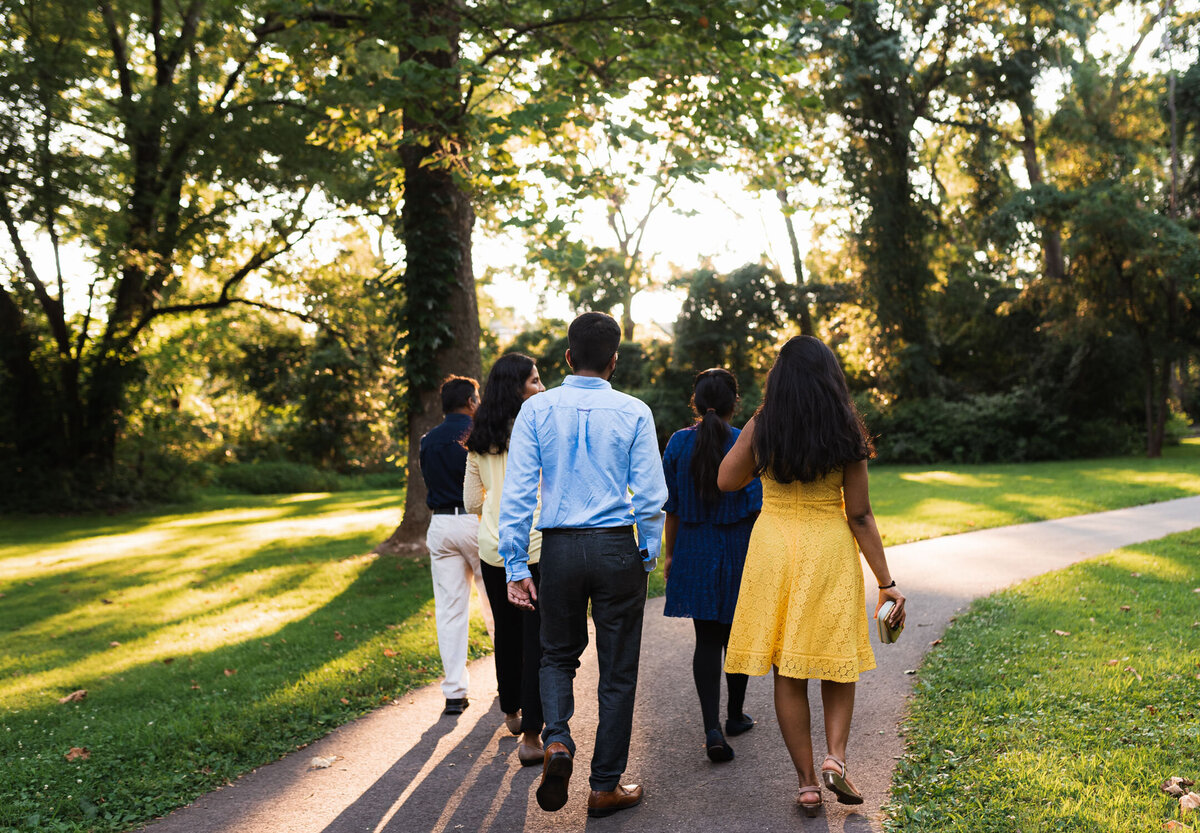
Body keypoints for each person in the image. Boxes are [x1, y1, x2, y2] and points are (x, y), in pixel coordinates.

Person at [718, 335, 906, 817]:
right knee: (836, 656)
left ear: (778, 378)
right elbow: (860, 515)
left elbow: (726, 480)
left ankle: (805, 784)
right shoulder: (845, 427)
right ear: (830, 376)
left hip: (774, 548)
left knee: (789, 667)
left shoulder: (764, 424)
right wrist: (886, 581)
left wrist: (757, 442)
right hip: (828, 547)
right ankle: (835, 757)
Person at [499, 312, 668, 819]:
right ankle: (603, 787)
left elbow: (518, 494)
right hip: (617, 546)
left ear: (568, 357)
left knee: (556, 655)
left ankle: (557, 742)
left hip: (560, 548)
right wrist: (648, 549)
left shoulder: (536, 411)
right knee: (618, 671)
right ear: (613, 361)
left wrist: (514, 564)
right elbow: (652, 495)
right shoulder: (634, 411)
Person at [661, 368, 762, 763]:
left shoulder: (677, 443)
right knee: (735, 637)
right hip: (739, 548)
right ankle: (735, 715)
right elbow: (756, 505)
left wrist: (670, 555)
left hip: (694, 547)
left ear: (697, 403)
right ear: (735, 403)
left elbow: (671, 507)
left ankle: (711, 728)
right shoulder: (743, 443)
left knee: (705, 639)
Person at [463, 353, 547, 766]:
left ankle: (511, 710)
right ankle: (533, 734)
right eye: (534, 381)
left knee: (507, 632)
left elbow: (468, 499)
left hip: (492, 548)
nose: (542, 388)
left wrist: (493, 503)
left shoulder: (480, 437)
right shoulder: (535, 431)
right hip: (533, 546)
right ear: (517, 388)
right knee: (536, 639)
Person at [419, 374, 492, 716]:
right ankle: (508, 683)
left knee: (450, 610)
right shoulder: (477, 436)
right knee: (494, 604)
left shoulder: (427, 441)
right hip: (475, 521)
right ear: (470, 402)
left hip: (441, 524)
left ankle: (454, 692)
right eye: (476, 398)